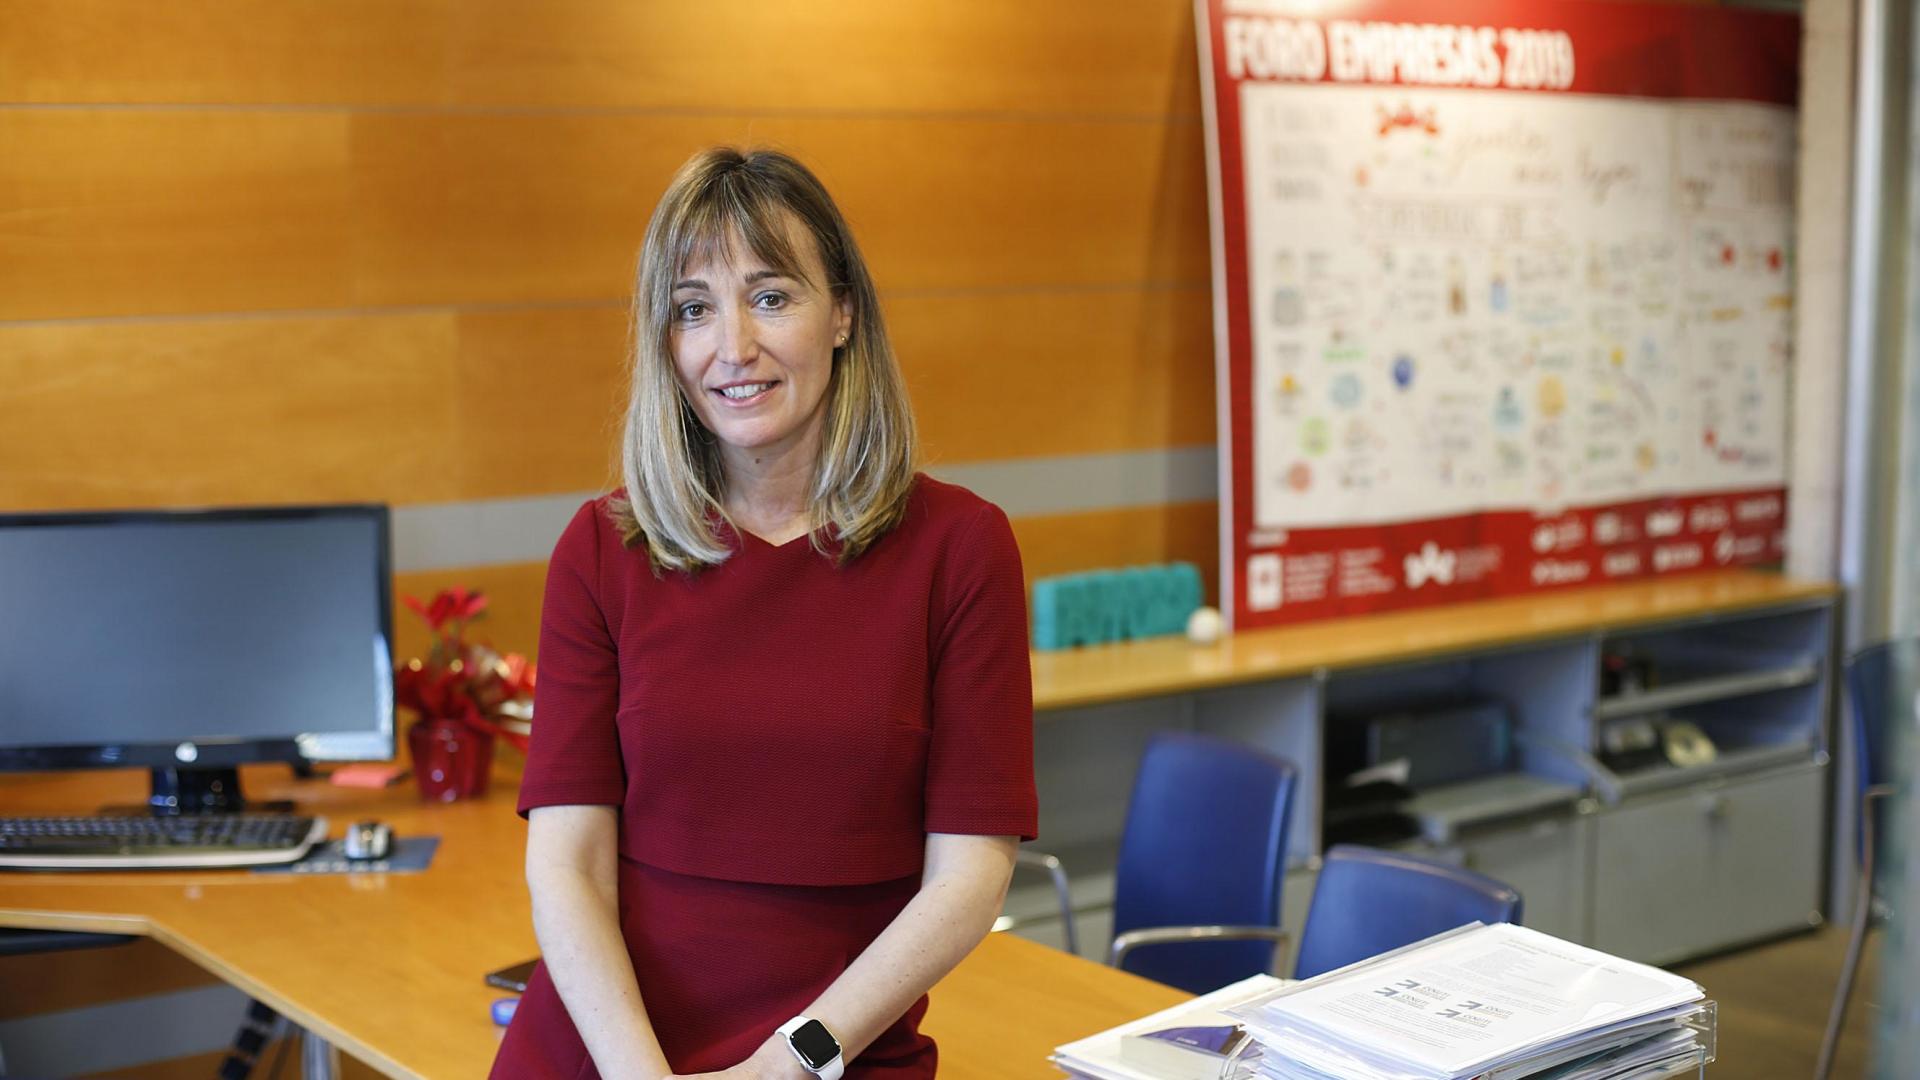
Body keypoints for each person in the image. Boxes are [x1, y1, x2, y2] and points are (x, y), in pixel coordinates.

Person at [490, 147, 1037, 1080]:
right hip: (610, 1050)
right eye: (693, 309)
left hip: (833, 1054)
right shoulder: (604, 547)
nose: (731, 346)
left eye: (771, 297)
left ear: (843, 314)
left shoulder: (961, 549)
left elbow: (968, 879)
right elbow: (569, 864)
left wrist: (790, 1063)